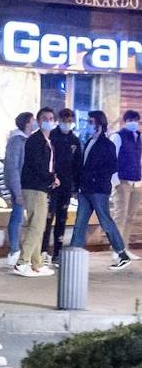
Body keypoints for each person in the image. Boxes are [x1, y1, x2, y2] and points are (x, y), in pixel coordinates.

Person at [71, 110, 131, 270]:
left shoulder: (107, 144)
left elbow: (111, 166)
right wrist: (78, 186)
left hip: (98, 190)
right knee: (80, 222)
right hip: (86, 189)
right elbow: (83, 166)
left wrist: (94, 179)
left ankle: (121, 252)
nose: (88, 125)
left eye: (91, 122)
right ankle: (74, 255)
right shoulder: (90, 140)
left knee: (105, 220)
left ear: (99, 124)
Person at [16, 107, 59, 277]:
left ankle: (36, 264)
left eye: (50, 117)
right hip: (34, 187)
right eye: (44, 118)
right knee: (37, 226)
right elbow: (37, 165)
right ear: (38, 121)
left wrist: (51, 178)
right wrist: (51, 178)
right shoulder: (36, 140)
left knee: (38, 225)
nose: (48, 120)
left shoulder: (46, 141)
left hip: (39, 186)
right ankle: (22, 262)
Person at [41, 108, 81, 264]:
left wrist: (75, 187)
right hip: (51, 185)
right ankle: (43, 251)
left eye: (70, 120)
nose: (68, 123)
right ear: (59, 120)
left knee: (62, 220)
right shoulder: (52, 137)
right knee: (47, 218)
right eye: (65, 120)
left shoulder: (75, 141)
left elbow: (77, 165)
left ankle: (57, 252)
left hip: (66, 186)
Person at [3, 112, 33, 266]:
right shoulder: (17, 141)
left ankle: (16, 249)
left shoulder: (24, 140)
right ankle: (14, 250)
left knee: (19, 217)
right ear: (27, 123)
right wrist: (17, 190)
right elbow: (12, 167)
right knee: (17, 217)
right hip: (19, 186)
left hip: (25, 185)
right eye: (32, 121)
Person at [111, 109, 142, 255]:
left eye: (136, 120)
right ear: (124, 122)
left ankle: (125, 247)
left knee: (130, 217)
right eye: (131, 120)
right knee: (120, 216)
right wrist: (115, 181)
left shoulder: (139, 137)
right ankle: (117, 249)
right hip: (122, 181)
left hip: (137, 182)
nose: (134, 123)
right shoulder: (117, 136)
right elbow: (112, 159)